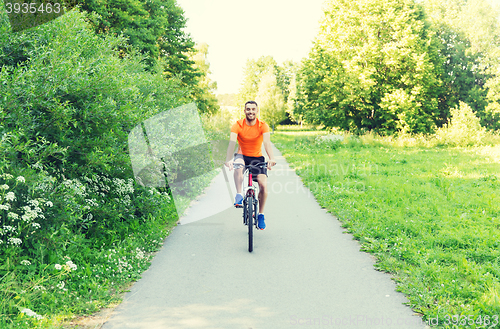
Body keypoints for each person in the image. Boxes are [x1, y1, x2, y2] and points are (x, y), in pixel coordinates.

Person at [224, 101, 276, 230]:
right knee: (238, 165)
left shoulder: (263, 126)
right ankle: (239, 195)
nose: (251, 112)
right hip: (242, 155)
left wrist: (272, 158)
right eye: (248, 109)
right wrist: (228, 159)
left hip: (257, 157)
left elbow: (267, 143)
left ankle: (261, 215)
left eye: (253, 109)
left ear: (257, 111)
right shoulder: (237, 125)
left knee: (263, 185)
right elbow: (231, 142)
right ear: (244, 111)